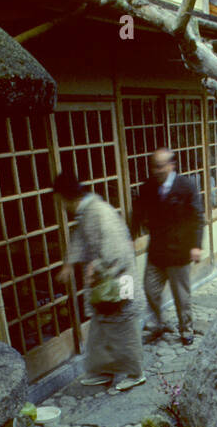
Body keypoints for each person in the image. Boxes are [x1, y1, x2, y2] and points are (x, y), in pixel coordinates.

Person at [53, 170, 146, 391]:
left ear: (68, 197)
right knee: (100, 330)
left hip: (118, 280)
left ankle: (136, 373)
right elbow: (80, 239)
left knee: (124, 329)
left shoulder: (98, 212)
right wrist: (69, 263)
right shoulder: (86, 212)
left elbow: (117, 249)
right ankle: (103, 372)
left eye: (61, 201)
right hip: (106, 283)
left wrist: (98, 266)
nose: (62, 207)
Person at [131, 147, 204, 346]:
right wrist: (131, 236)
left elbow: (197, 217)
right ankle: (159, 324)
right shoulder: (147, 188)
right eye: (154, 166)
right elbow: (137, 214)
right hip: (157, 251)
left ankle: (186, 329)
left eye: (161, 166)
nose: (157, 170)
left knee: (182, 296)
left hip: (179, 252)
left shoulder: (186, 186)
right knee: (150, 289)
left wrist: (196, 246)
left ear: (171, 165)